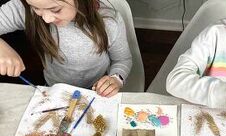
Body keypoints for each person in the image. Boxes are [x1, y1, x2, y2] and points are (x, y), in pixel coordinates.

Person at [0, 0, 132, 97]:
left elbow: (123, 59)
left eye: (56, 9)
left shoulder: (109, 21)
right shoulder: (23, 9)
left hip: (96, 93)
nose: (46, 18)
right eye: (35, 8)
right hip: (54, 90)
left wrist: (116, 79)